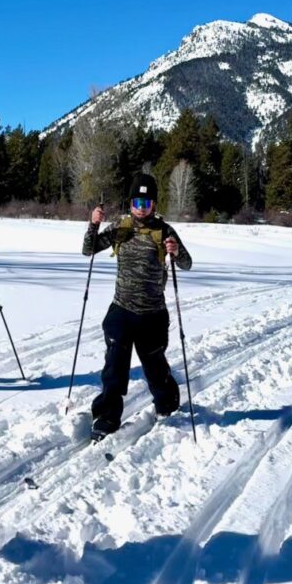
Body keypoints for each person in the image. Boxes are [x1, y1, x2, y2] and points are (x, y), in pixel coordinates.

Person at [83, 173, 192, 442]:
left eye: (146, 203)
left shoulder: (165, 231)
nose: (141, 208)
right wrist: (93, 225)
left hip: (153, 314)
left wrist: (175, 251)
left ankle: (167, 404)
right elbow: (89, 249)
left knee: (154, 367)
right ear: (130, 203)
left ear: (154, 205)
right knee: (114, 367)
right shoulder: (121, 227)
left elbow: (187, 263)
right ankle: (106, 417)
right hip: (122, 310)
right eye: (136, 202)